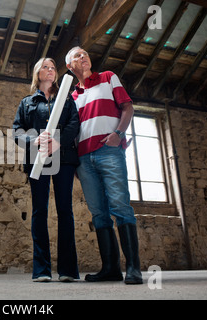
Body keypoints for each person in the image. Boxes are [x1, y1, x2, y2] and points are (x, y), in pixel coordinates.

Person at [65, 47, 143, 285]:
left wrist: (119, 133)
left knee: (120, 205)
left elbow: (127, 107)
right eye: (77, 56)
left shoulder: (108, 77)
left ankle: (133, 268)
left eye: (85, 53)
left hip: (109, 150)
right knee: (99, 214)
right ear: (70, 67)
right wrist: (76, 163)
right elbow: (73, 131)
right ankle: (110, 268)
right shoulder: (73, 97)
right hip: (84, 160)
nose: (83, 57)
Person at [13, 58, 80, 282]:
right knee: (39, 211)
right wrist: (33, 140)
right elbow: (17, 131)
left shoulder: (67, 99)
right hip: (37, 160)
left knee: (65, 211)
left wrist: (58, 141)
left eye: (53, 68)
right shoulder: (27, 102)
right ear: (37, 73)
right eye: (45, 67)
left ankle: (68, 270)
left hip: (64, 159)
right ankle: (41, 270)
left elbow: (74, 124)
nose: (50, 70)